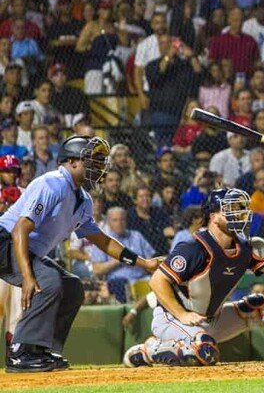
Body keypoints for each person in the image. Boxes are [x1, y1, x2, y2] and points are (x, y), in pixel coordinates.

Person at [123, 188, 264, 367]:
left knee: (258, 306)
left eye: (240, 209)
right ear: (213, 215)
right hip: (173, 320)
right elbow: (157, 281)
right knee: (205, 352)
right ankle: (148, 351)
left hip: (211, 320)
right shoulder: (193, 247)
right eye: (230, 209)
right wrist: (182, 314)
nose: (239, 214)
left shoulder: (246, 247)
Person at [0, 136, 160, 372]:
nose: (98, 167)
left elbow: (102, 240)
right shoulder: (52, 183)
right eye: (92, 161)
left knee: (72, 287)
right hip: (6, 241)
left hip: (26, 249)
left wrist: (143, 262)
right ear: (72, 161)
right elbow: (20, 229)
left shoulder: (83, 199)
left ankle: (44, 349)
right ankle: (19, 352)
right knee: (49, 282)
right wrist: (28, 277)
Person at [89, 207, 156, 303]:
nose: (119, 223)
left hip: (142, 279)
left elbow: (150, 260)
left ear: (126, 221)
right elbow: (96, 270)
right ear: (108, 223)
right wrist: (118, 260)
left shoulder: (136, 236)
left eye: (122, 219)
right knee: (119, 284)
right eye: (115, 220)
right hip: (118, 283)